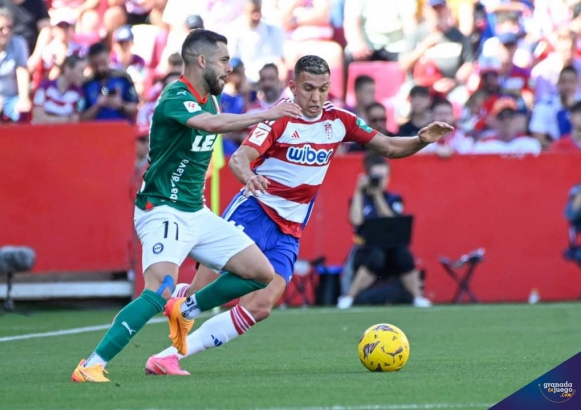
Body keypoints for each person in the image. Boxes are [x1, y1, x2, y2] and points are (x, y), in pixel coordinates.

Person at [144, 55, 452, 375]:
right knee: (203, 292)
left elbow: (388, 146)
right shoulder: (279, 119)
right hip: (254, 211)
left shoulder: (339, 121)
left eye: (322, 89)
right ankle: (186, 297)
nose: (316, 97)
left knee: (261, 306)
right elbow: (239, 158)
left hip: (289, 229)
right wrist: (248, 175)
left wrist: (420, 140)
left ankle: (169, 356)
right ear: (293, 87)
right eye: (308, 89)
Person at [71, 29, 303, 383]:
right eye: (224, 60)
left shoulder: (211, 99)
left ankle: (186, 307)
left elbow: (214, 119)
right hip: (162, 210)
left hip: (195, 212)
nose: (229, 69)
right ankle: (92, 364)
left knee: (260, 273)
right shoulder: (176, 96)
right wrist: (265, 115)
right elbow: (210, 125)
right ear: (201, 60)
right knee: (159, 287)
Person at [337, 154, 431, 309]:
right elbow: (356, 220)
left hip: (392, 248)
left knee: (404, 255)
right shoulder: (360, 198)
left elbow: (392, 221)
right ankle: (349, 297)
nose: (381, 181)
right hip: (366, 249)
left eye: (384, 177)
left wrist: (378, 197)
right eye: (377, 177)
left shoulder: (394, 198)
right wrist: (359, 191)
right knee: (376, 256)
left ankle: (417, 297)